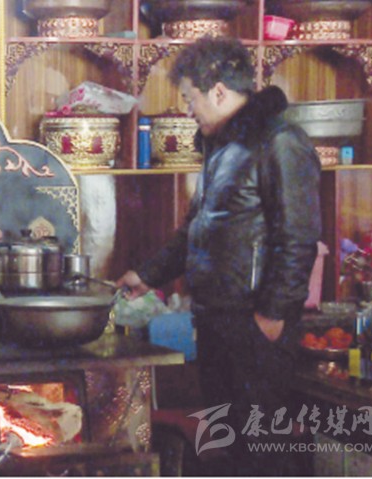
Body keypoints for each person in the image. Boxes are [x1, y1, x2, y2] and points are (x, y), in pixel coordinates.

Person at [116, 37, 321, 476]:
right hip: (215, 319)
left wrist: (273, 313)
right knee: (229, 446)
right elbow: (197, 230)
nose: (188, 109)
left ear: (219, 92)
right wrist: (148, 275)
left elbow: (298, 236)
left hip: (255, 322)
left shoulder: (280, 141)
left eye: (190, 98)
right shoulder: (221, 146)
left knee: (264, 450)